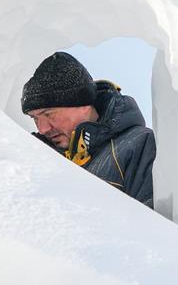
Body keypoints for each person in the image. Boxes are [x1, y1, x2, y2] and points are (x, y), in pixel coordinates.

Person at [21, 52, 156, 208]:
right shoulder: (39, 159)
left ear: (83, 105)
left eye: (49, 114)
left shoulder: (139, 146)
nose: (43, 128)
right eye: (35, 118)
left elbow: (156, 220)